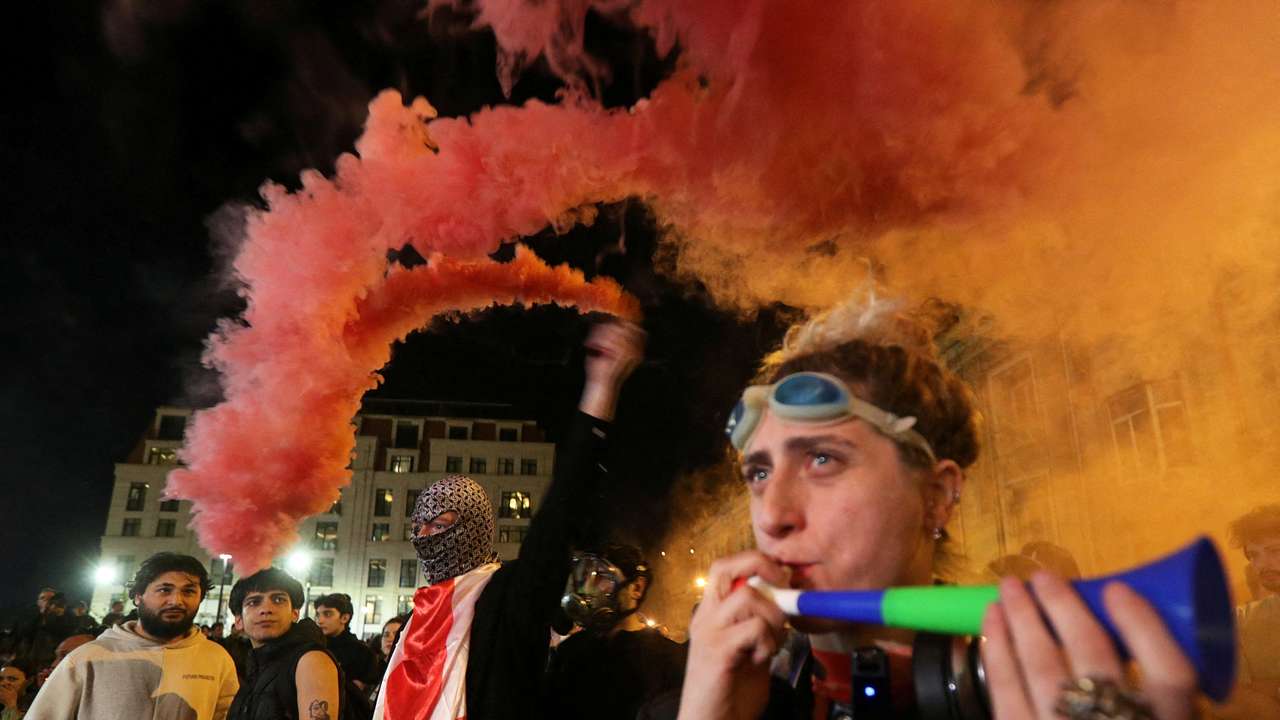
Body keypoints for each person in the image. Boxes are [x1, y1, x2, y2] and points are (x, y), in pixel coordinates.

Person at [675, 306, 1202, 720]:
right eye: (759, 474)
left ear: (938, 495)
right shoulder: (713, 698)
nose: (772, 516)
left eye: (821, 459)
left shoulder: (1054, 694)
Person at [375, 320, 644, 720]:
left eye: (441, 523)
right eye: (419, 526)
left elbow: (559, 516)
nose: (425, 535)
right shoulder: (421, 615)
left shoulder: (508, 596)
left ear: (476, 527)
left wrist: (601, 390)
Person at [26, 552, 238, 719]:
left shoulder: (217, 659)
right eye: (165, 590)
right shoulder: (87, 658)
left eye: (189, 591)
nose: (176, 601)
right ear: (138, 597)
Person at [546, 543, 688, 719]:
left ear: (637, 588)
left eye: (602, 577)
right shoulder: (570, 653)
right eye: (584, 575)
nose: (587, 587)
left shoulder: (668, 660)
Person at [226, 568, 345, 720]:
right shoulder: (257, 664)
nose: (266, 609)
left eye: (278, 600)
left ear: (295, 613)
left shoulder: (311, 661)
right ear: (238, 621)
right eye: (254, 602)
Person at [1213, 504, 1280, 718]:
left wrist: (1270, 688)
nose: (1262, 564)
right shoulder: (1239, 621)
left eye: (1275, 551)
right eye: (1254, 555)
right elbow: (1236, 698)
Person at [313, 593, 379, 692]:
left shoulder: (362, 653)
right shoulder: (314, 647)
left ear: (344, 618)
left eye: (327, 614)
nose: (320, 620)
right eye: (318, 615)